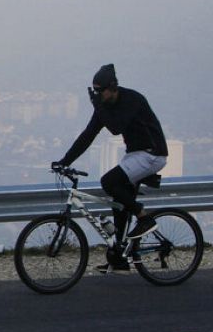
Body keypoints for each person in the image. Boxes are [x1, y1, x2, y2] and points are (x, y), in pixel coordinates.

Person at [52, 63, 168, 273]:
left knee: (109, 181)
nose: (97, 95)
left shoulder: (132, 99)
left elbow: (116, 127)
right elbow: (88, 135)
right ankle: (119, 257)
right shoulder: (104, 107)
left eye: (100, 91)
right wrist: (64, 161)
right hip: (135, 154)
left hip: (153, 153)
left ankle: (144, 217)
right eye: (94, 91)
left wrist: (98, 106)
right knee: (119, 204)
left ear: (112, 87)